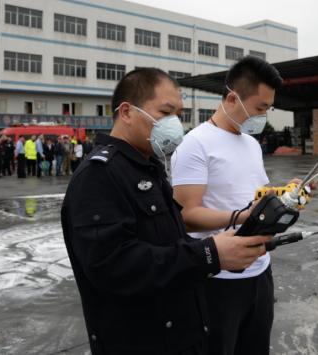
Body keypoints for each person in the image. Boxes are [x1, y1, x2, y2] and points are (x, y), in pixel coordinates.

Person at [61, 67, 270, 354]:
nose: (174, 123)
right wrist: (209, 253)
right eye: (165, 112)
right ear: (126, 112)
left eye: (179, 115)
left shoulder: (148, 167)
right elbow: (111, 267)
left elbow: (170, 240)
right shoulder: (99, 176)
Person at [172, 56, 290, 355]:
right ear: (231, 98)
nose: (263, 116)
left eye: (267, 108)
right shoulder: (195, 144)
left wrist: (287, 193)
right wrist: (239, 216)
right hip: (218, 278)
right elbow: (186, 215)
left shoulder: (251, 143)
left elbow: (257, 195)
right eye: (260, 108)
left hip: (260, 271)